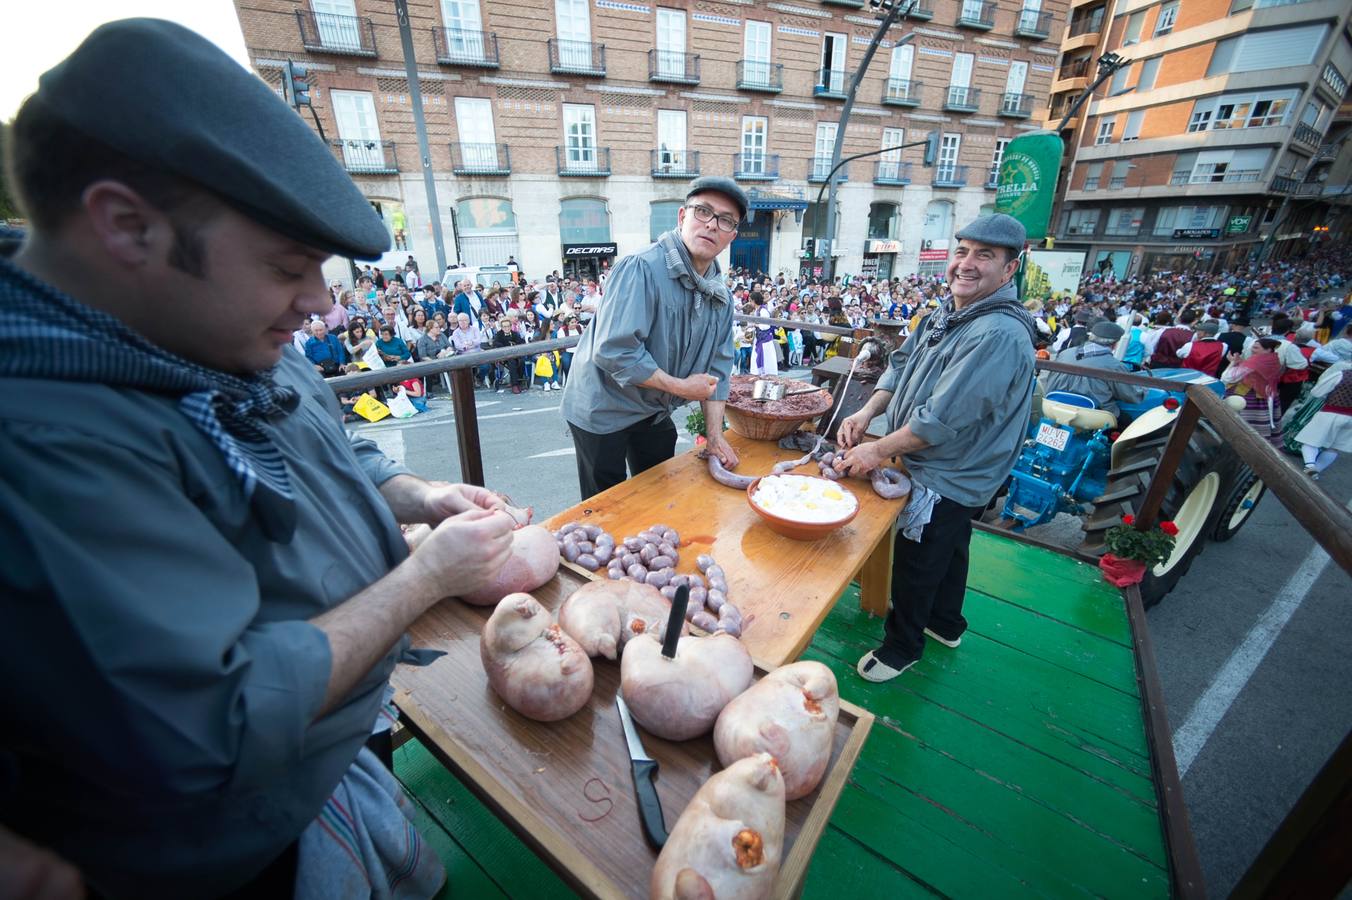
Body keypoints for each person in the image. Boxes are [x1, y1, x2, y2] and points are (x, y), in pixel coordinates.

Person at [0, 18, 519, 898]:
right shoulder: (44, 446)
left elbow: (321, 436)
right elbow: (214, 722)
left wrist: (414, 492)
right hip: (239, 849)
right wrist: (423, 580)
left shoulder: (191, 319)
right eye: (289, 267)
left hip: (333, 769)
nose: (318, 304)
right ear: (128, 227)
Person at [834, 214, 1036, 683]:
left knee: (919, 555)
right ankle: (947, 624)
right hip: (937, 458)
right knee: (953, 543)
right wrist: (867, 413)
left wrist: (875, 450)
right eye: (962, 251)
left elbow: (939, 421)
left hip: (954, 468)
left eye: (984, 255)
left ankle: (902, 646)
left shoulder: (998, 333)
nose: (966, 264)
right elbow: (899, 367)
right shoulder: (946, 311)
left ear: (1010, 269)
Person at [560, 176, 740, 499]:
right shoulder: (640, 268)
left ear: (732, 236)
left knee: (657, 494)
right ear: (682, 217)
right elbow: (615, 351)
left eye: (725, 220)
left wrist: (714, 436)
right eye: (703, 211)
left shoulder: (721, 298)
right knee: (606, 505)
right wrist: (682, 387)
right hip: (602, 407)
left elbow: (719, 370)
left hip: (654, 410)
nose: (712, 225)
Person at [1043, 321, 1144, 419]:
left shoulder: (1065, 353)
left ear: (1091, 337)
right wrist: (1143, 390)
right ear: (1115, 344)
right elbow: (1131, 396)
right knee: (1127, 420)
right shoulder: (1114, 365)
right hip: (1090, 415)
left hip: (1053, 407)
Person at [1294, 362, 1352, 480]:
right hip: (1350, 418)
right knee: (1333, 447)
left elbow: (1317, 392)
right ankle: (1314, 473)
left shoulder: (1341, 375)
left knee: (1309, 441)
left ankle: (1310, 468)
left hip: (1330, 413)